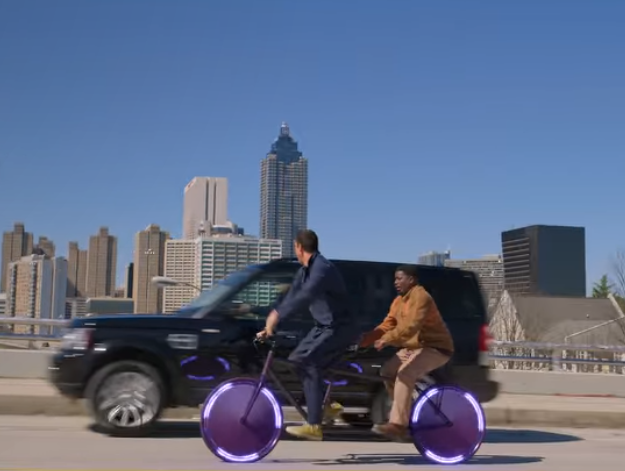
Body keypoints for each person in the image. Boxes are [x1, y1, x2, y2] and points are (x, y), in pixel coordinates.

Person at [257, 229, 355, 440]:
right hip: (323, 327)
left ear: (298, 247)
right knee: (296, 360)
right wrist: (271, 324)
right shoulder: (304, 271)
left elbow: (306, 295)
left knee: (308, 361)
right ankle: (326, 405)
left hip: (340, 328)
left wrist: (277, 315)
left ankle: (314, 425)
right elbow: (292, 296)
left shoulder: (322, 268)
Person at [359, 264, 454, 440]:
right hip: (414, 348)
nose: (395, 282)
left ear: (411, 279)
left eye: (399, 278)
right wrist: (366, 339)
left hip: (435, 348)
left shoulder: (422, 297)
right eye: (395, 279)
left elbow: (411, 327)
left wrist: (387, 339)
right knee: (387, 371)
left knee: (405, 373)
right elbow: (387, 325)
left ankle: (398, 424)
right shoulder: (398, 301)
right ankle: (405, 412)